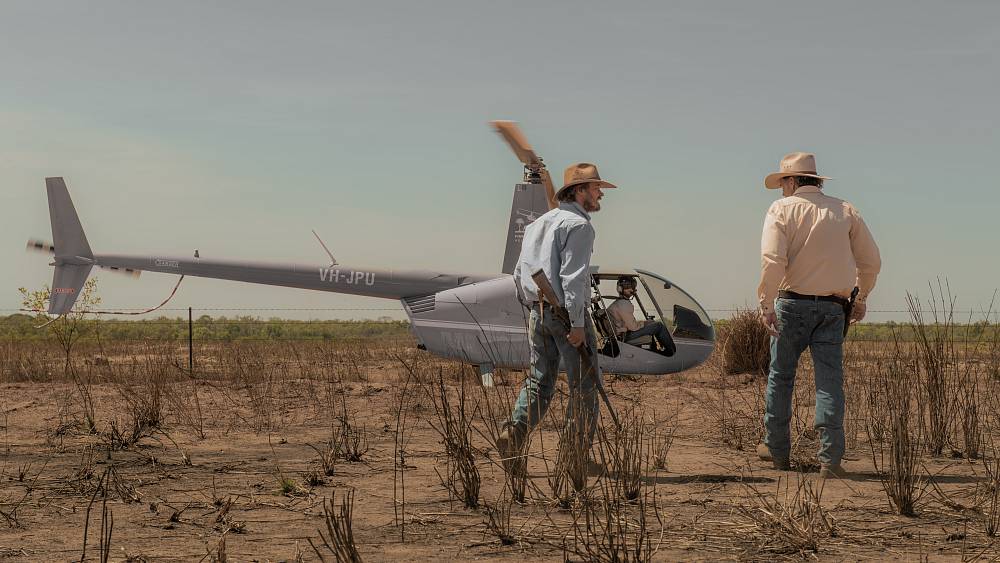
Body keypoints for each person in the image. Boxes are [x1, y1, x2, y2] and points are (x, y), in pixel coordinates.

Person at [756, 152, 881, 478]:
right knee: (829, 382)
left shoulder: (781, 209)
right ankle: (830, 460)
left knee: (781, 377)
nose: (782, 189)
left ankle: (777, 451)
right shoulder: (845, 210)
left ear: (793, 181)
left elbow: (772, 260)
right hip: (833, 309)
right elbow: (871, 262)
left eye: (783, 182)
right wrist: (860, 296)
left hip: (791, 305)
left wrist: (766, 304)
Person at [498, 162, 616, 492]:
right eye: (595, 187)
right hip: (565, 314)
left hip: (538, 311)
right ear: (578, 192)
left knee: (540, 380)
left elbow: (520, 272)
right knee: (585, 387)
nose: (600, 192)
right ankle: (573, 458)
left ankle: (514, 432)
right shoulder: (579, 225)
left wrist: (536, 308)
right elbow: (573, 279)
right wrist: (577, 324)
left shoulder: (538, 224)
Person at [606, 275, 676, 356]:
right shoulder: (624, 304)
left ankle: (660, 350)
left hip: (621, 335)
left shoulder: (618, 303)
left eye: (632, 287)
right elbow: (633, 327)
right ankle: (671, 352)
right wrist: (644, 323)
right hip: (625, 337)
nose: (633, 289)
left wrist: (646, 323)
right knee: (659, 326)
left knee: (652, 323)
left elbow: (628, 324)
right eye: (630, 287)